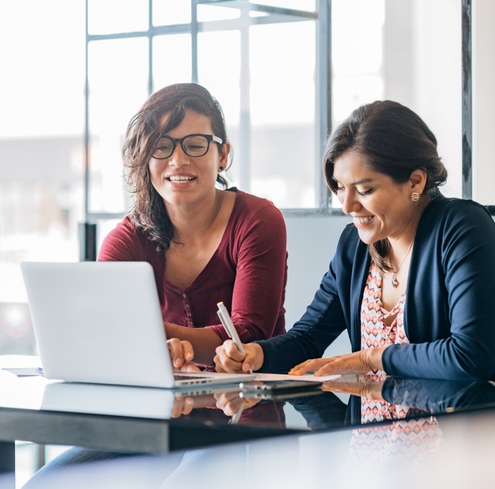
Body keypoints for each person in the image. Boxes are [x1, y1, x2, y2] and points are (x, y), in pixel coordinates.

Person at [214, 100, 495, 381]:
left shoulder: (462, 227)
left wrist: (371, 357)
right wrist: (257, 354)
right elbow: (308, 337)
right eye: (340, 187)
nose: (347, 206)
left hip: (451, 423)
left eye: (365, 189)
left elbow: (471, 355)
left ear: (415, 182)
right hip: (365, 424)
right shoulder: (355, 245)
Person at [98, 82, 288, 368]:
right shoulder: (127, 239)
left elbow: (247, 336)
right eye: (161, 147)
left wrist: (149, 336)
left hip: (252, 403)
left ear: (222, 155)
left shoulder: (258, 220)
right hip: (164, 405)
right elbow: (104, 329)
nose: (178, 161)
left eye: (195, 145)